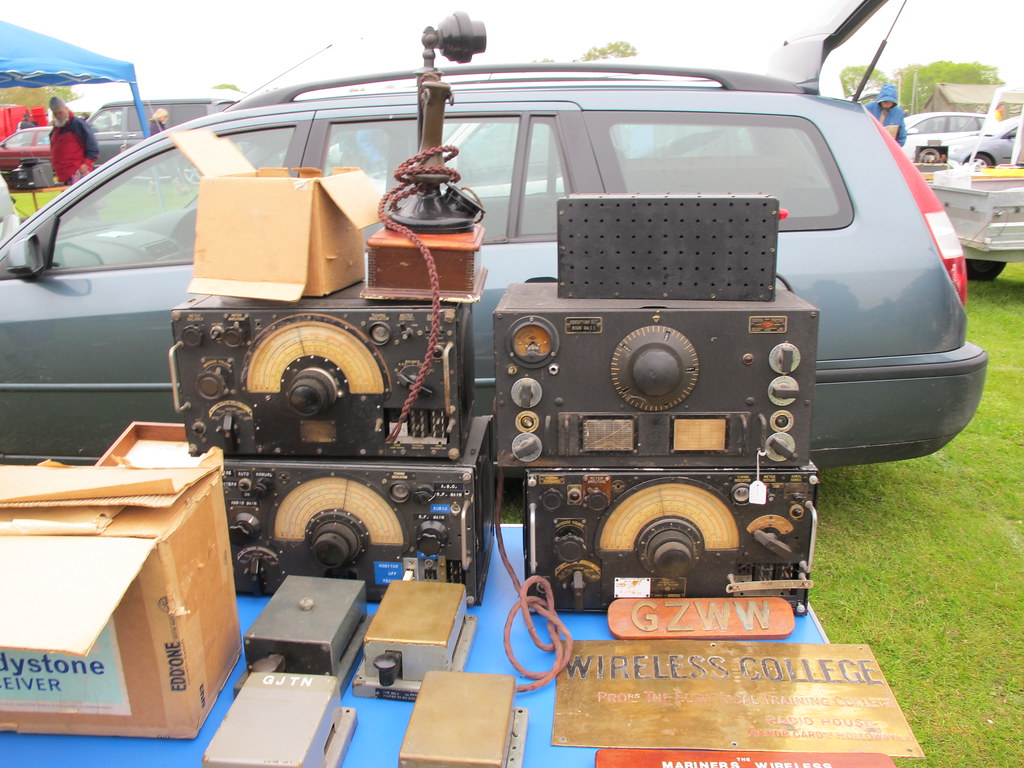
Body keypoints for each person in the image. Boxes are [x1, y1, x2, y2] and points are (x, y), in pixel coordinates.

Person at [48, 96, 99, 185]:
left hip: (79, 175)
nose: (58, 116)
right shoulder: (56, 129)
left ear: (66, 109)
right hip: (63, 177)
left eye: (60, 112)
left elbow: (93, 147)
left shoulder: (78, 124)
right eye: (55, 114)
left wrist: (86, 164)